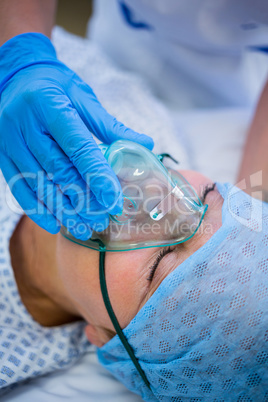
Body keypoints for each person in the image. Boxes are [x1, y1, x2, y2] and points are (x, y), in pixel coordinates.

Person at [0, 0, 268, 242]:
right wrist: (22, 55)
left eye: (160, 263)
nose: (150, 190)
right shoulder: (109, 88)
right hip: (121, 47)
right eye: (203, 195)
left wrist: (244, 233)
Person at [0, 165, 267, 400]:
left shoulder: (10, 357)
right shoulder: (138, 124)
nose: (161, 199)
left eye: (162, 261)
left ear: (106, 337)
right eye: (208, 196)